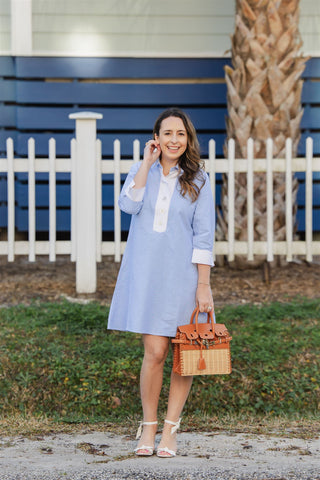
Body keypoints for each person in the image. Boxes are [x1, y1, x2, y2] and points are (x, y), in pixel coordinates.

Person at [107, 107, 215, 458]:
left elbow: (204, 236)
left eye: (180, 134)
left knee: (182, 353)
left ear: (188, 139)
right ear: (157, 137)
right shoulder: (141, 172)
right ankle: (148, 426)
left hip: (183, 277)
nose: (174, 140)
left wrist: (203, 285)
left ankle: (171, 430)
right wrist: (144, 163)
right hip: (147, 274)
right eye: (167, 133)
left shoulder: (199, 179)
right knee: (154, 352)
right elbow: (128, 205)